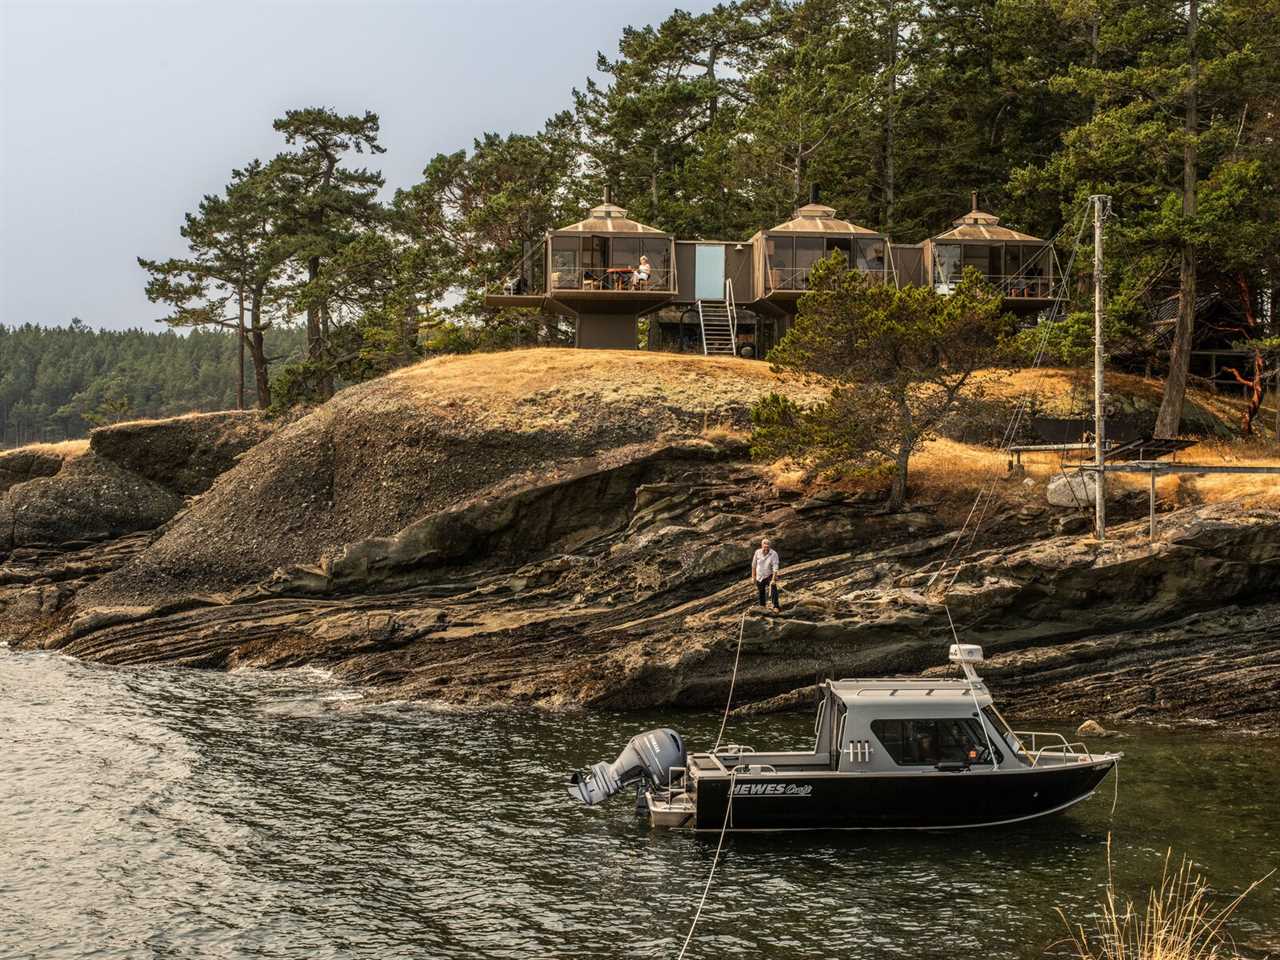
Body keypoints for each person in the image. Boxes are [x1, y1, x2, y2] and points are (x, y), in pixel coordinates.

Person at [750, 537, 781, 610]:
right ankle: (762, 607)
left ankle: (776, 606)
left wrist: (773, 579)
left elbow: (775, 567)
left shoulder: (773, 554)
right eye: (765, 544)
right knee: (761, 592)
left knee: (773, 589)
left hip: (769, 575)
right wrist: (753, 577)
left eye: (768, 544)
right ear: (761, 545)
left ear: (770, 545)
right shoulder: (757, 552)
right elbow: (754, 565)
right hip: (759, 576)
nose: (766, 545)